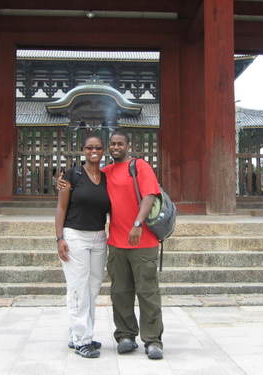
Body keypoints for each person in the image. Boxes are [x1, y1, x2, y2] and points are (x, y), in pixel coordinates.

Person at [59, 130, 164, 360]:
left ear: (128, 146)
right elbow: (86, 181)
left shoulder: (140, 166)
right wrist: (63, 181)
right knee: (120, 292)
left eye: (120, 144)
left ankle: (153, 340)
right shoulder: (105, 172)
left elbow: (150, 196)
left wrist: (138, 223)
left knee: (147, 292)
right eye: (113, 144)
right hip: (116, 242)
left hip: (143, 241)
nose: (116, 147)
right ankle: (126, 335)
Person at [55, 135, 110, 358]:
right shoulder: (72, 175)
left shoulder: (106, 177)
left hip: (98, 236)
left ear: (103, 151)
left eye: (97, 147)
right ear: (83, 151)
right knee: (77, 287)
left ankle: (81, 332)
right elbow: (60, 208)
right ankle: (81, 339)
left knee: (93, 286)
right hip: (74, 235)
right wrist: (59, 238)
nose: (93, 151)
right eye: (89, 147)